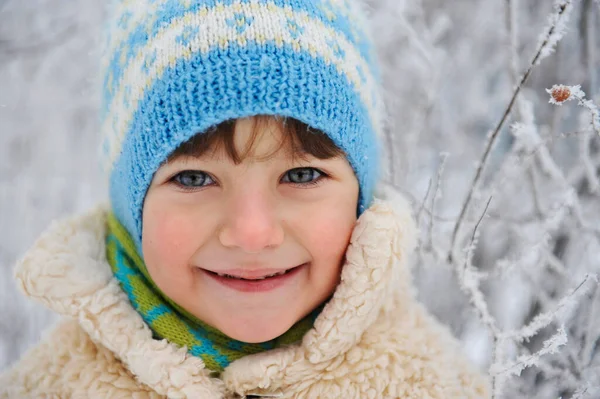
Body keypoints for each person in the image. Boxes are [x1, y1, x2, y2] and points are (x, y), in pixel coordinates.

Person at [0, 1, 489, 397]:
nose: (252, 233)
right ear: (133, 205)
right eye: (193, 179)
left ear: (360, 196)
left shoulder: (432, 386)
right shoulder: (49, 388)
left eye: (301, 174)